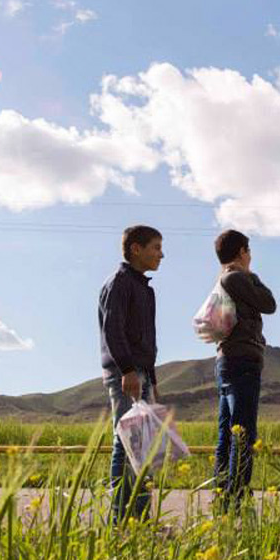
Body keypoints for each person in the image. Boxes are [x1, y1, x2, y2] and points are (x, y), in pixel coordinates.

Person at [99, 224, 164, 523]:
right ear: (135, 249)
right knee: (126, 444)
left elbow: (145, 340)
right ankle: (121, 521)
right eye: (155, 247)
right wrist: (127, 370)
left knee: (143, 448)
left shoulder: (143, 289)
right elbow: (113, 329)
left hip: (141, 374)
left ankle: (141, 520)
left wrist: (152, 378)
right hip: (127, 374)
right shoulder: (120, 283)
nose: (161, 254)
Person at [212, 229, 277, 510]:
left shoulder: (223, 280)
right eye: (248, 251)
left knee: (227, 430)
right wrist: (252, 274)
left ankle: (223, 493)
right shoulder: (237, 277)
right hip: (242, 361)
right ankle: (236, 495)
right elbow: (269, 303)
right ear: (242, 252)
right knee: (243, 432)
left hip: (227, 360)